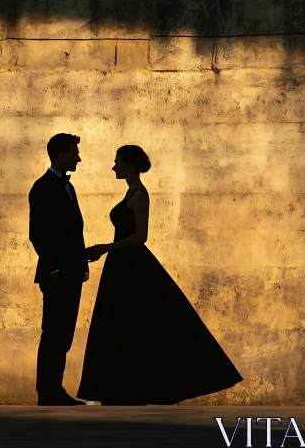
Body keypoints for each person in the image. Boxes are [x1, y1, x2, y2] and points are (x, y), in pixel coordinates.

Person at [78, 145, 243, 405]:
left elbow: (141, 236)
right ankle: (123, 387)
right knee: (124, 326)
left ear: (130, 165)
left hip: (131, 266)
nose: (114, 167)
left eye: (117, 162)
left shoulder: (139, 196)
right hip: (122, 265)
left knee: (134, 326)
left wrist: (105, 248)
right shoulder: (131, 194)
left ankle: (134, 388)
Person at [28, 133, 90, 406]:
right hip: (58, 273)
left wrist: (81, 265)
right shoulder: (43, 187)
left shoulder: (68, 187)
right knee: (54, 332)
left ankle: (54, 389)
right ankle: (48, 392)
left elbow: (75, 229)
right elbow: (38, 234)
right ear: (62, 153)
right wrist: (53, 268)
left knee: (63, 333)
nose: (78, 157)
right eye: (74, 152)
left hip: (72, 270)